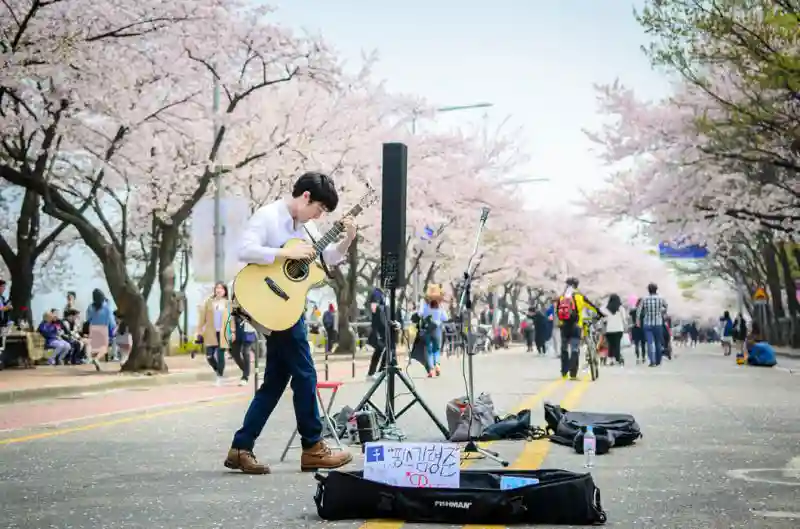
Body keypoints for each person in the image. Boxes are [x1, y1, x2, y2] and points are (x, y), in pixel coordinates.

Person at [225, 171, 357, 474]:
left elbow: (328, 260)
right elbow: (244, 250)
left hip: (287, 308)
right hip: (272, 305)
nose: (319, 215)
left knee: (274, 383)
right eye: (319, 208)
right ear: (306, 196)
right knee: (306, 373)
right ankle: (313, 446)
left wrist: (348, 238)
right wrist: (284, 251)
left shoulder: (308, 228)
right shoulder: (268, 216)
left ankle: (241, 447)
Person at [555, 277, 600, 380]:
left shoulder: (561, 297)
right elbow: (592, 307)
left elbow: (557, 312)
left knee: (564, 348)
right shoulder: (580, 296)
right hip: (576, 325)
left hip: (564, 326)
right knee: (575, 348)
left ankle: (564, 372)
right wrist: (598, 315)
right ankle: (573, 373)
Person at [197, 282, 234, 386]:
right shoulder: (209, 302)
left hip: (223, 332)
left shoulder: (228, 303)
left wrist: (233, 331)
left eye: (221, 288)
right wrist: (199, 330)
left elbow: (231, 319)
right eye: (217, 288)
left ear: (225, 291)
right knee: (209, 356)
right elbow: (202, 317)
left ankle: (219, 376)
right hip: (211, 332)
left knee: (220, 354)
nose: (219, 290)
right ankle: (218, 370)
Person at [636, 283, 668, 367]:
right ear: (656, 289)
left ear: (648, 290)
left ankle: (652, 361)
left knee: (650, 342)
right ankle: (658, 360)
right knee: (658, 342)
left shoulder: (644, 299)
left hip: (647, 323)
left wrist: (638, 320)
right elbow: (666, 307)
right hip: (658, 323)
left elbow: (639, 310)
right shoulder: (661, 298)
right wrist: (662, 312)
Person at [85, 289, 114, 371]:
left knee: (95, 347)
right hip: (103, 328)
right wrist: (112, 328)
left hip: (93, 328)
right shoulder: (106, 306)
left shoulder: (90, 307)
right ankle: (96, 359)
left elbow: (88, 318)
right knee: (104, 348)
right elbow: (110, 319)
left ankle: (93, 359)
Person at [600, 294, 626, 366]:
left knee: (610, 345)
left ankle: (610, 359)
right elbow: (624, 319)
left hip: (609, 329)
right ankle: (617, 359)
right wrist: (625, 326)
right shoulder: (621, 308)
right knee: (617, 344)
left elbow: (603, 319)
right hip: (619, 329)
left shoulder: (605, 308)